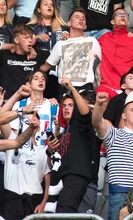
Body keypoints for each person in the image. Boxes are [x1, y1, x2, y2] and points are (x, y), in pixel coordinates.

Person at [92, 94, 133, 220]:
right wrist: (98, 105)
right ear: (123, 116)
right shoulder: (114, 134)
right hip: (120, 194)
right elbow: (97, 122)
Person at [50, 78, 98, 214]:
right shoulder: (62, 133)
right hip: (62, 179)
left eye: (70, 105)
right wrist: (49, 150)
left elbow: (85, 113)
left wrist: (72, 88)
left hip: (76, 176)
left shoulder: (81, 125)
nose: (66, 108)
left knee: (63, 213)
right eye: (64, 105)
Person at [41, 8, 102, 90]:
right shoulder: (61, 44)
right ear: (69, 23)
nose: (81, 19)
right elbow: (45, 67)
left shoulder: (92, 41)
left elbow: (104, 62)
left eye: (83, 18)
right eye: (77, 17)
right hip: (65, 88)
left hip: (86, 89)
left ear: (85, 26)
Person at [0, 25, 50, 97]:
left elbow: (56, 54)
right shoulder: (5, 55)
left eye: (31, 37)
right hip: (9, 103)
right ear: (16, 40)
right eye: (26, 38)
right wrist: (11, 46)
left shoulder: (37, 54)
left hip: (30, 103)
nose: (30, 40)